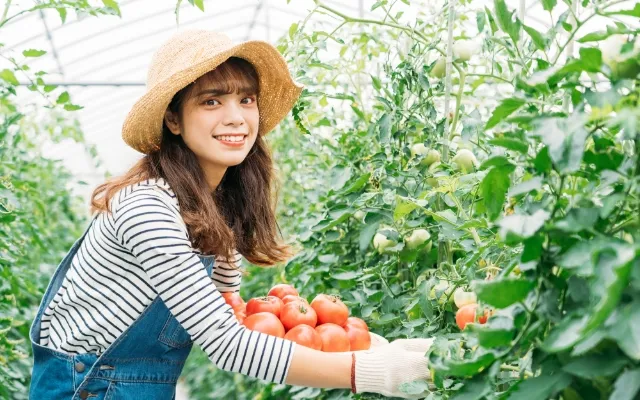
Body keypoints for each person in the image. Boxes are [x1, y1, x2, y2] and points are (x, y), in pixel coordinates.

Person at [28, 30, 432, 400]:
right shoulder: (146, 208)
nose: (236, 117)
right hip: (87, 388)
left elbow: (230, 311)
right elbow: (226, 344)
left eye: (246, 99)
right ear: (173, 119)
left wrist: (347, 339)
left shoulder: (215, 204)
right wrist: (370, 371)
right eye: (211, 101)